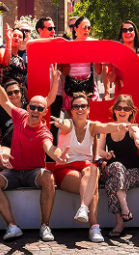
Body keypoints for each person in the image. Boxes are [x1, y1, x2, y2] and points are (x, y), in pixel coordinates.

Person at [0, 66, 64, 243]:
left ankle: (45, 225)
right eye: (33, 106)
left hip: (33, 173)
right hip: (13, 172)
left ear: (45, 112)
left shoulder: (44, 131)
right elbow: (4, 100)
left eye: (40, 108)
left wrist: (58, 154)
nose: (35, 110)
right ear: (27, 107)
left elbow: (49, 147)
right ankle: (12, 226)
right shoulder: (20, 115)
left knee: (48, 177)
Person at [52, 90, 124, 243]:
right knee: (93, 186)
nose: (80, 109)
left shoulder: (92, 126)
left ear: (88, 109)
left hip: (86, 169)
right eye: (76, 106)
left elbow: (105, 127)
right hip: (65, 169)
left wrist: (119, 126)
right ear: (71, 110)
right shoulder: (68, 125)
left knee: (92, 170)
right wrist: (59, 122)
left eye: (83, 106)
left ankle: (84, 209)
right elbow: (63, 124)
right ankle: (94, 227)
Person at [97, 95, 139, 238]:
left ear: (131, 111)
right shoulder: (107, 129)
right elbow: (99, 151)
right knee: (116, 166)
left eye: (126, 108)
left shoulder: (133, 128)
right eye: (119, 108)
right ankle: (125, 208)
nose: (122, 111)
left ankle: (119, 223)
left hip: (132, 172)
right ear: (114, 110)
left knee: (111, 184)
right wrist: (106, 154)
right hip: (111, 168)